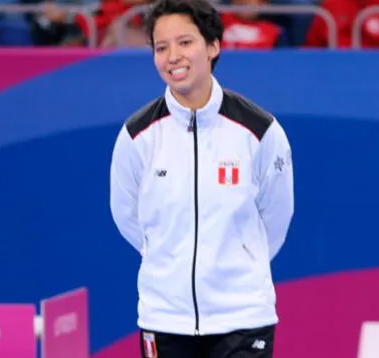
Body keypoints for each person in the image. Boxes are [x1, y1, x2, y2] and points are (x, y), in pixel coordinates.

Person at [109, 0, 294, 356]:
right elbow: (128, 216)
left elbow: (276, 216)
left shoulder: (259, 130)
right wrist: (167, 258)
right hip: (164, 319)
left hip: (242, 319)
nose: (173, 56)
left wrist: (241, 260)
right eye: (161, 47)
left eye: (185, 42)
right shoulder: (137, 135)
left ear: (213, 46)